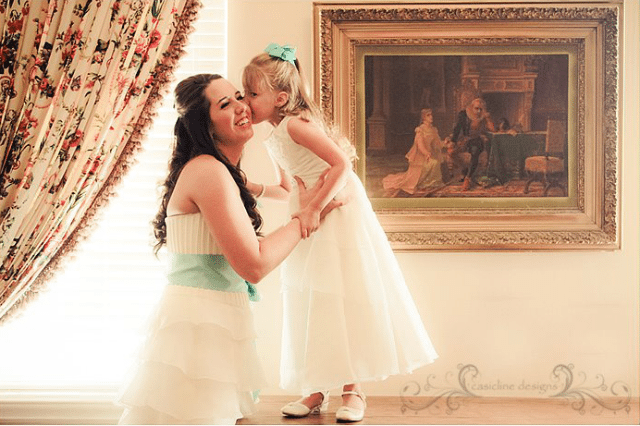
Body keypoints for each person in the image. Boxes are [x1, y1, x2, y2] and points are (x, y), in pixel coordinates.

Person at [117, 74, 343, 425]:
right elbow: (254, 265)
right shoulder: (208, 172)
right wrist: (307, 216)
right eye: (225, 104)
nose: (242, 107)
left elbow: (282, 189)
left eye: (240, 97)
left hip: (215, 320)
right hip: (198, 330)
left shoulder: (223, 172)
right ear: (203, 126)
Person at [242, 43, 438, 423]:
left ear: (280, 97)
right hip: (308, 215)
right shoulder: (275, 134)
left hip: (335, 213)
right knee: (313, 299)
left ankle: (354, 389)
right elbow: (285, 189)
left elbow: (341, 164)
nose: (246, 101)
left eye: (253, 93)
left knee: (343, 296)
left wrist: (315, 206)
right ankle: (317, 387)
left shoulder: (296, 125)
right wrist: (250, 186)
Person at [382, 108, 444, 197]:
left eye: (431, 115)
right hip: (421, 156)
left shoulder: (433, 130)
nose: (431, 117)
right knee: (433, 163)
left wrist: (445, 143)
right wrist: (426, 153)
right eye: (428, 115)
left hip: (429, 154)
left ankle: (431, 184)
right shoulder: (420, 130)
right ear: (423, 118)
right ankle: (425, 184)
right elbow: (420, 145)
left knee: (436, 162)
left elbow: (436, 144)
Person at [447, 97, 495, 191]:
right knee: (451, 152)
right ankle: (464, 170)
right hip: (465, 140)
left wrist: (488, 118)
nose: (478, 111)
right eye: (476, 108)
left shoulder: (483, 116)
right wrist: (453, 141)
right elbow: (457, 128)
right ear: (472, 107)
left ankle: (467, 179)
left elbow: (493, 130)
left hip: (477, 140)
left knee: (475, 151)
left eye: (480, 109)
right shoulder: (464, 114)